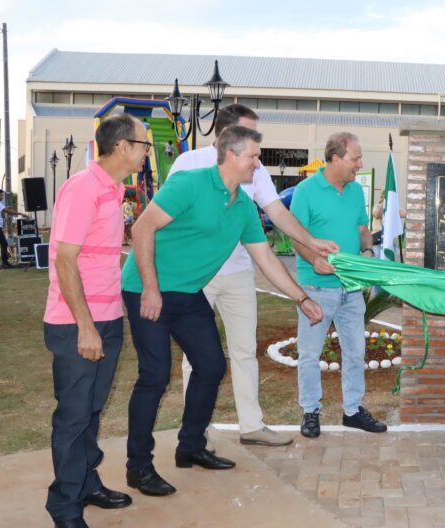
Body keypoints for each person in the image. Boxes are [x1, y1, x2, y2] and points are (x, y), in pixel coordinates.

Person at [121, 126, 323, 497]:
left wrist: (301, 297)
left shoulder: (243, 206)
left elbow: (266, 259)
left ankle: (191, 446)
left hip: (186, 293)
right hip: (145, 287)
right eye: (254, 157)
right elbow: (141, 228)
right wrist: (150, 288)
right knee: (154, 375)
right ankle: (139, 467)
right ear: (231, 155)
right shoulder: (188, 184)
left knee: (212, 366)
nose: (257, 164)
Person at [167, 104, 337, 448]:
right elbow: (166, 214)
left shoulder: (255, 170)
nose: (257, 146)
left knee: (245, 351)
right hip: (196, 278)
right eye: (250, 134)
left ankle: (252, 425)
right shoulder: (188, 164)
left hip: (240, 272)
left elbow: (277, 212)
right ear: (227, 136)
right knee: (195, 358)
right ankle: (194, 430)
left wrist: (311, 241)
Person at [43, 114, 150, 528]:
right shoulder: (83, 188)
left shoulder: (114, 189)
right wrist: (85, 326)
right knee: (73, 415)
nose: (145, 152)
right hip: (77, 324)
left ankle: (86, 482)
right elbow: (64, 261)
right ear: (122, 146)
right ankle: (65, 507)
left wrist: (106, 320)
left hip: (106, 317)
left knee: (90, 411)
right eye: (143, 145)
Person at [291, 132, 388, 438]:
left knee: (356, 352)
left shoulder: (356, 192)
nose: (359, 164)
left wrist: (369, 250)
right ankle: (310, 412)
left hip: (351, 289)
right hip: (315, 289)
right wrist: (313, 258)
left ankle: (353, 411)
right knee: (309, 354)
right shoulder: (305, 191)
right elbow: (295, 237)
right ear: (335, 158)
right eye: (355, 158)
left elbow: (362, 229)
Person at [0, 188, 28, 269]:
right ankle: (5, 263)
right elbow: (7, 211)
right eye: (1, 195)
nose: (2, 197)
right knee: (4, 243)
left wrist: (1, 216)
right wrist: (21, 214)